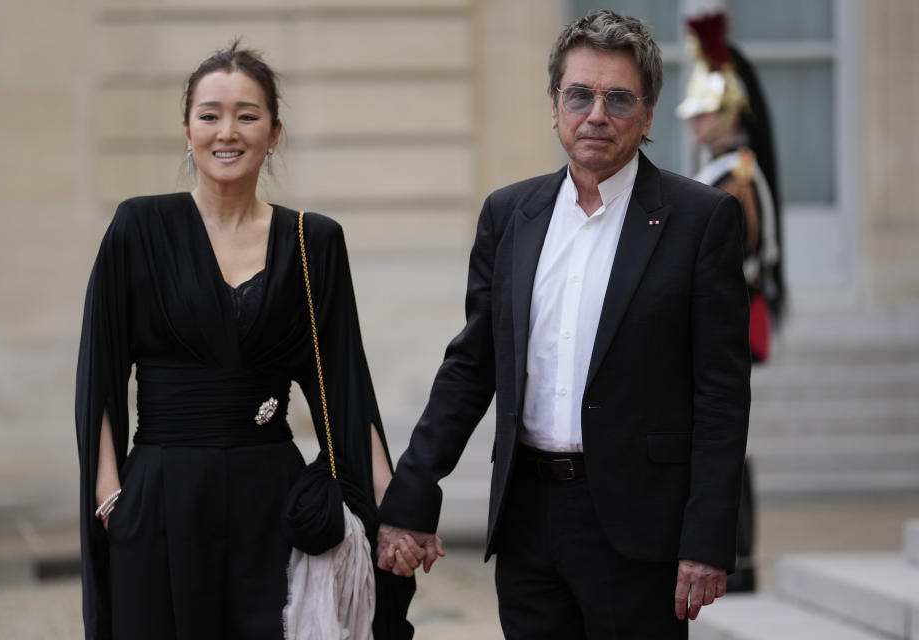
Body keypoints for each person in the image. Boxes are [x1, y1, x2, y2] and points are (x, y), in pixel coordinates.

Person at [376, 10, 751, 639]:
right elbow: (471, 366)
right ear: (555, 106)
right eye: (579, 94)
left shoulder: (700, 220)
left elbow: (721, 392)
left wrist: (707, 538)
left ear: (648, 115)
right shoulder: (509, 214)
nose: (596, 114)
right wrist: (413, 491)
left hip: (640, 531)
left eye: (618, 98)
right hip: (529, 523)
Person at [75, 42, 414, 640]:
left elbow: (345, 389)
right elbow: (100, 370)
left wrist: (397, 512)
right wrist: (110, 499)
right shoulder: (138, 227)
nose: (226, 132)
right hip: (159, 498)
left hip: (270, 502)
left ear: (274, 132)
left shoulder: (314, 242)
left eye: (247, 116)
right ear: (187, 128)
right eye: (209, 115)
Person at [676, 11, 788, 592]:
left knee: (733, 439)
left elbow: (730, 261)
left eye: (705, 113)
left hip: (731, 319)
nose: (696, 125)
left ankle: (740, 557)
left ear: (729, 113)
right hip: (727, 318)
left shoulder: (735, 178)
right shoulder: (724, 171)